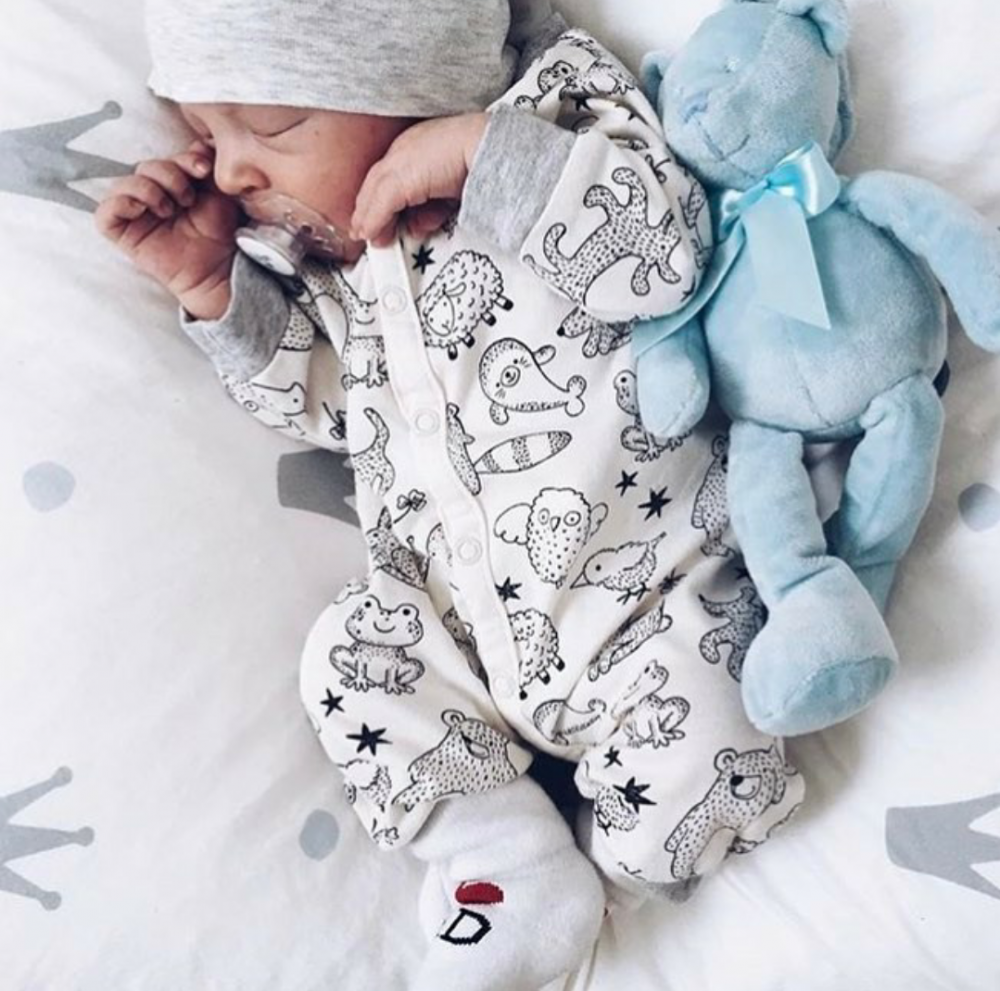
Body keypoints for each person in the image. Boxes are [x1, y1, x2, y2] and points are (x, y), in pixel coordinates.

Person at [96, 2, 805, 987]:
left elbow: (662, 256)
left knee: (707, 761)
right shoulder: (334, 261)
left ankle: (611, 870)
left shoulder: (556, 117)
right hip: (452, 641)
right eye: (208, 137)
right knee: (347, 662)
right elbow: (326, 405)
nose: (231, 173)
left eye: (269, 126)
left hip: (655, 606)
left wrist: (487, 157)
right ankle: (505, 857)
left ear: (408, 75)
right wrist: (213, 278)